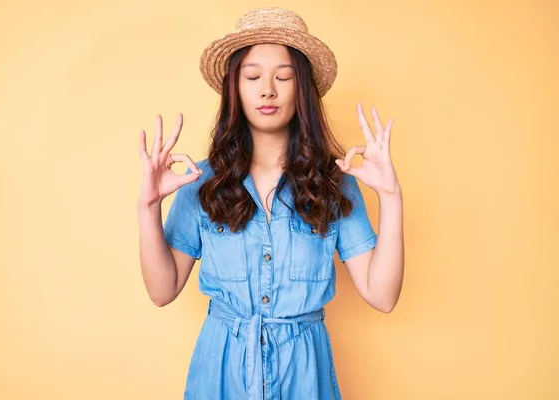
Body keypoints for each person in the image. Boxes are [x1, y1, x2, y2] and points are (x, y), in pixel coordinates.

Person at [137, 6, 404, 400]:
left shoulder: (335, 184)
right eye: (252, 76)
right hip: (220, 375)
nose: (268, 90)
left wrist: (391, 196)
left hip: (304, 376)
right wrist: (147, 208)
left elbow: (382, 296)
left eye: (283, 77)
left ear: (303, 90)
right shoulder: (200, 181)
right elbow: (162, 290)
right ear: (235, 88)